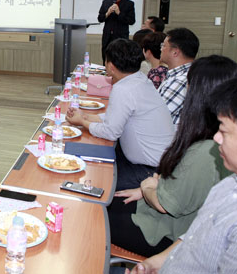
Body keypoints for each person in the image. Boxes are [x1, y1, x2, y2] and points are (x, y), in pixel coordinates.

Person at [108, 55, 235, 257]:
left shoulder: (208, 149)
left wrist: (147, 186)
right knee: (103, 202)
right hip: (158, 210)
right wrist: (147, 189)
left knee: (93, 215)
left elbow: (164, 205)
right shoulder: (206, 136)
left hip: (165, 232)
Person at [66, 39, 175, 190]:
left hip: (149, 171)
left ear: (110, 66)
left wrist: (83, 122)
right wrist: (84, 116)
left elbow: (110, 132)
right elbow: (117, 117)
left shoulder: (123, 89)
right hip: (159, 162)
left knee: (92, 182)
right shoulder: (139, 80)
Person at [158, 28, 199, 125]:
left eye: (163, 46)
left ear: (175, 52)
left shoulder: (181, 80)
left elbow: (156, 116)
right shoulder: (179, 74)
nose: (161, 49)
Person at [97, 0, 135, 64]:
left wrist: (119, 13)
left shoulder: (129, 4)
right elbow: (100, 18)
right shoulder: (106, 2)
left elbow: (132, 21)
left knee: (120, 61)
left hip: (121, 37)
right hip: (107, 37)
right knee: (106, 60)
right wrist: (108, 13)